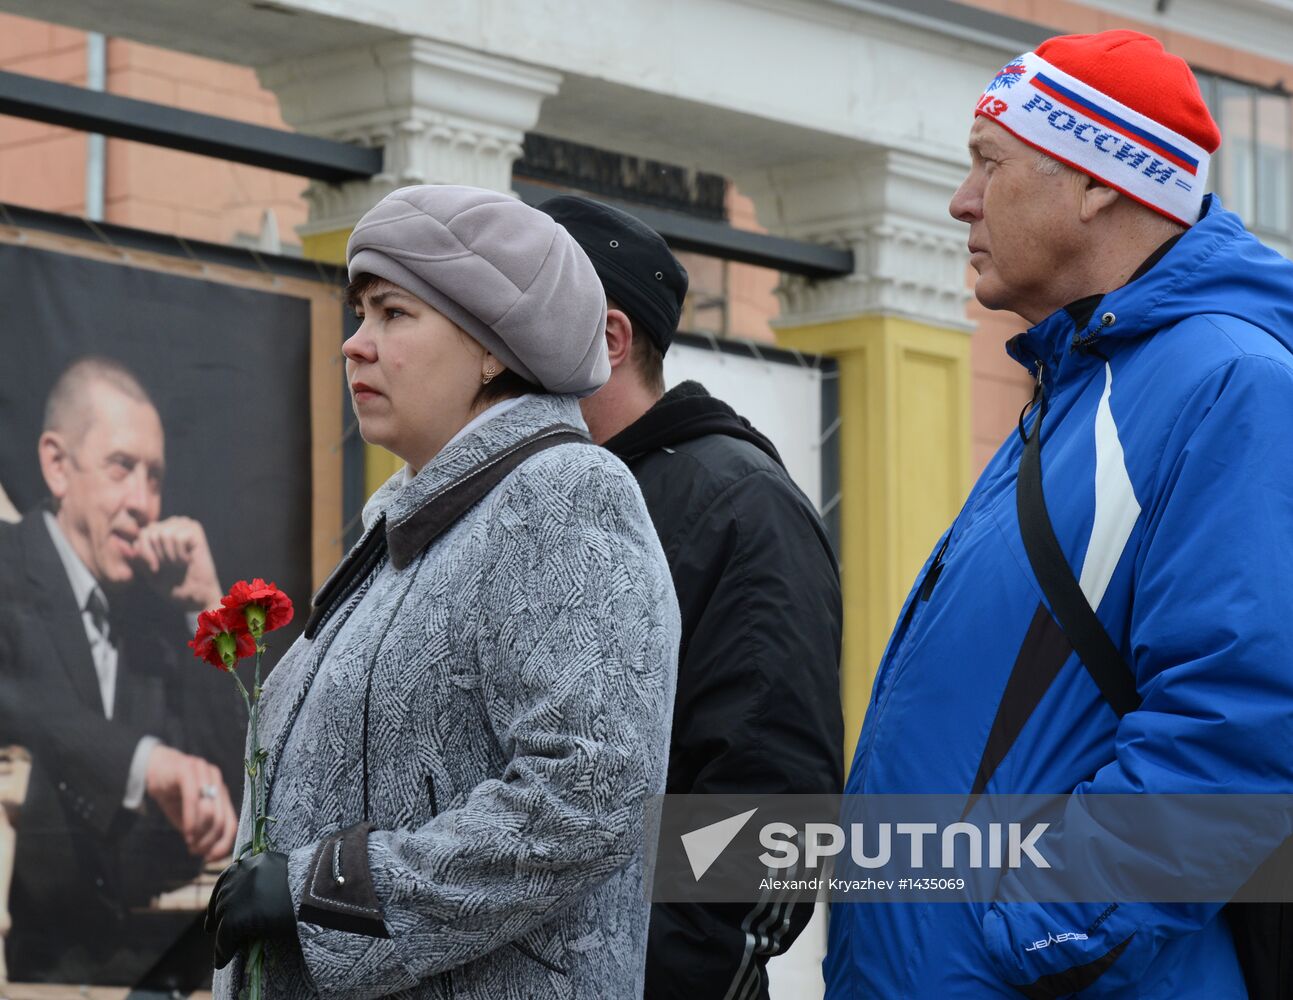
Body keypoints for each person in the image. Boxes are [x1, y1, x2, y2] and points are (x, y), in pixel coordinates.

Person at [825, 29, 1293, 998]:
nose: (961, 201)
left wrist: (1037, 934)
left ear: (1097, 184)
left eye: (988, 164)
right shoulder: (1080, 387)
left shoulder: (1231, 385)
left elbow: (1240, 724)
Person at [205, 184, 680, 999]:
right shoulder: (411, 526)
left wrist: (324, 888)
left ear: (492, 346)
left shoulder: (562, 494)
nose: (355, 345)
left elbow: (591, 791)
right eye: (360, 314)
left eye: (393, 313)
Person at [539, 195, 844, 1000]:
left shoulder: (741, 507)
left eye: (517, 312)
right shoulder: (533, 498)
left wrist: (656, 976)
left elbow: (773, 798)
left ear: (608, 339)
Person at [0, 357, 239, 983]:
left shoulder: (156, 612)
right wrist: (148, 763)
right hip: (26, 969)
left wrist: (207, 608)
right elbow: (21, 702)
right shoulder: (5, 568)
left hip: (154, 969)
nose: (141, 502)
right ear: (57, 465)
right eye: (121, 468)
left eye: (154, 477)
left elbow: (249, 759)